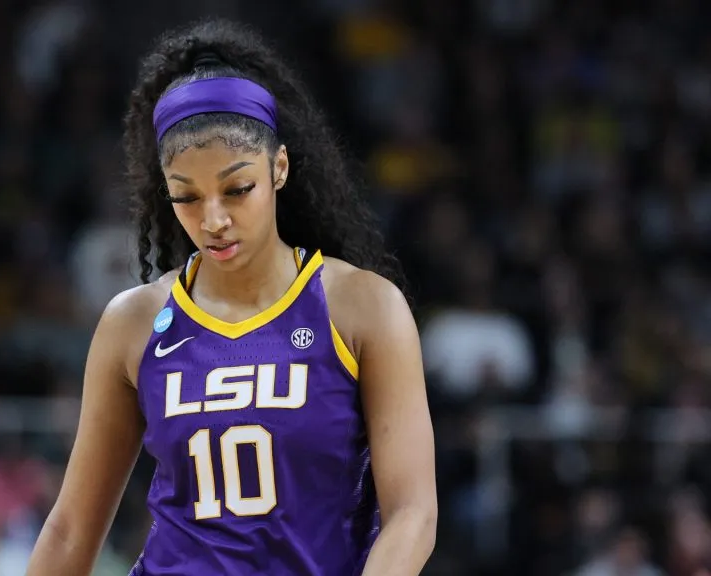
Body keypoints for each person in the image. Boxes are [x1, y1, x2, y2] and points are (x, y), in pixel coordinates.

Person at [25, 18, 436, 576]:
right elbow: (71, 528)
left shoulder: (362, 306)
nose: (213, 219)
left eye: (237, 189)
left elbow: (412, 514)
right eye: (186, 198)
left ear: (279, 168)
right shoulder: (134, 322)